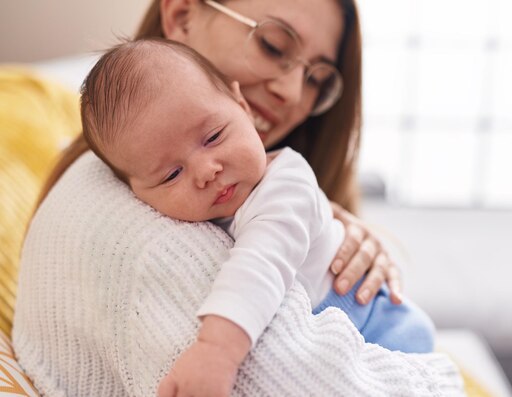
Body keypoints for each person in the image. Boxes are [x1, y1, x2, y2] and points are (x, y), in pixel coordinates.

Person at [13, 0, 464, 395]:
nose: (292, 93)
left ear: (237, 105)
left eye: (316, 78)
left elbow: (260, 263)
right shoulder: (123, 210)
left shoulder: (276, 179)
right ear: (183, 15)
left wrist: (215, 349)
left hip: (379, 328)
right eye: (273, 45)